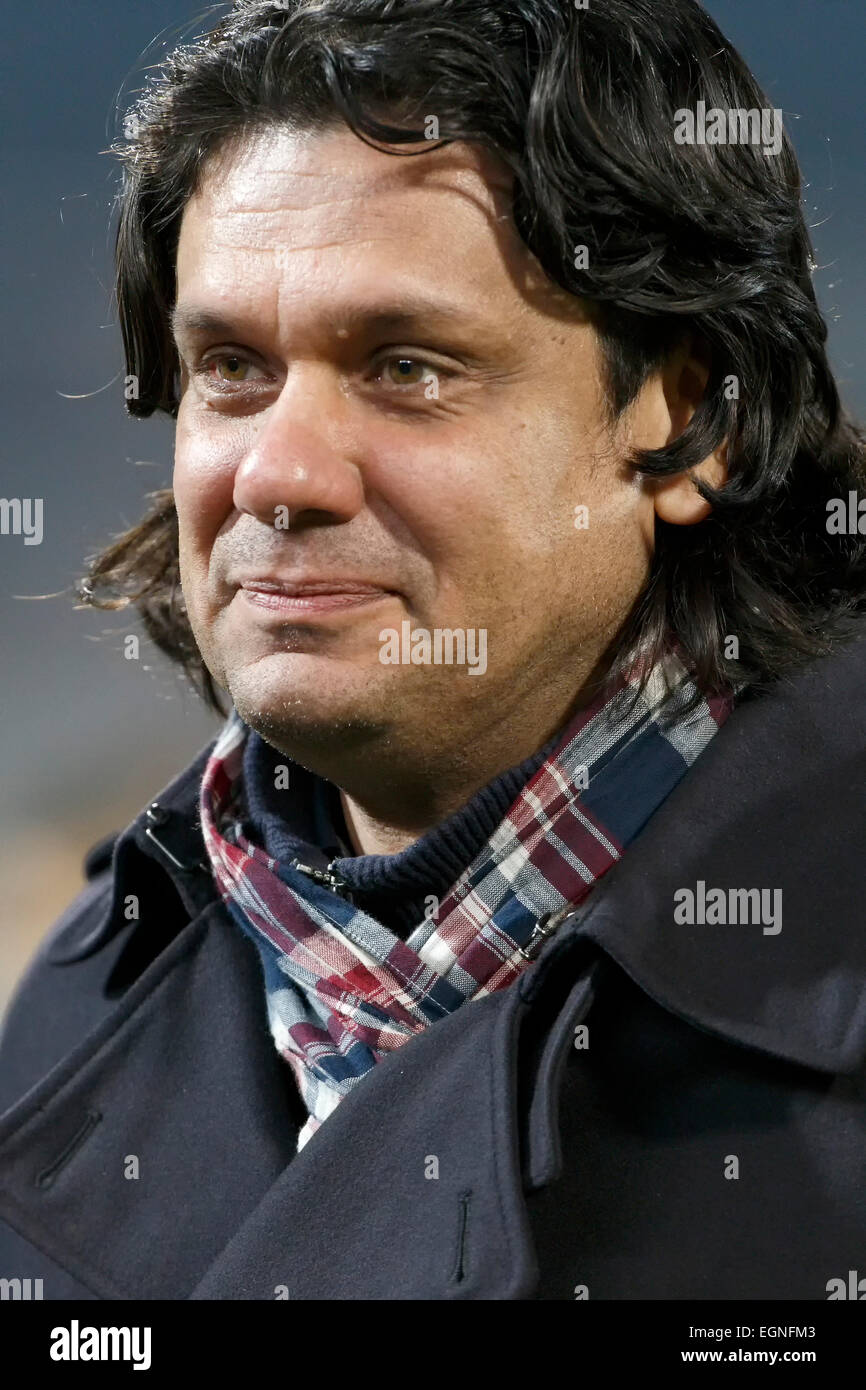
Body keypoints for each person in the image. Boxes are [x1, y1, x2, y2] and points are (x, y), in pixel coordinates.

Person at [1, 0, 865, 1301]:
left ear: (687, 422)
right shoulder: (81, 997)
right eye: (230, 368)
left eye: (406, 368)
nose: (277, 474)